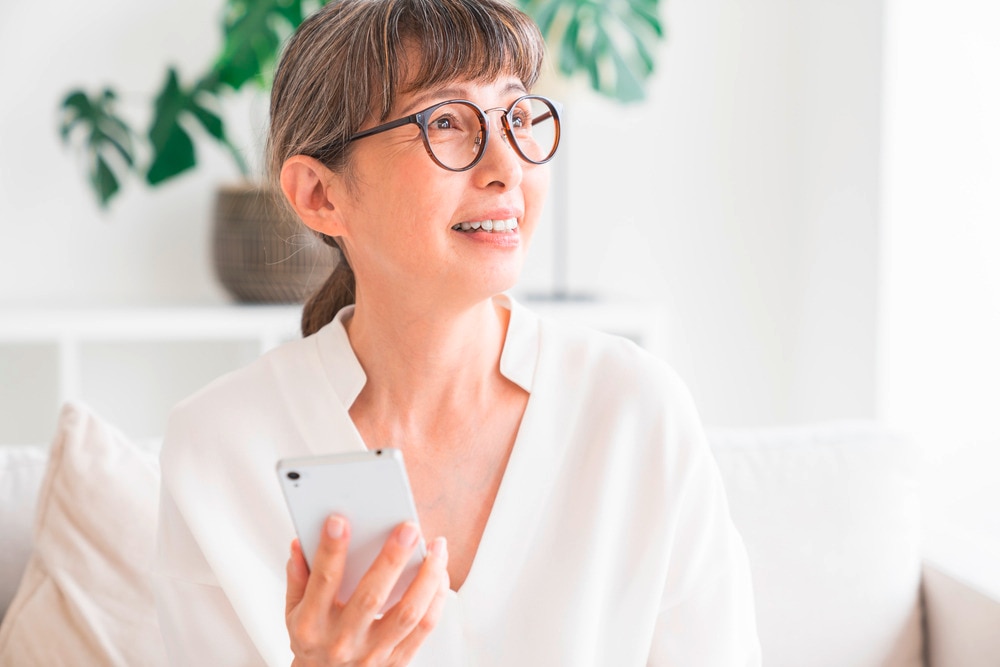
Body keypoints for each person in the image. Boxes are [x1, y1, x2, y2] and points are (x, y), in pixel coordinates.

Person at [154, 0, 761, 664]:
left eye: (517, 116)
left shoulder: (634, 411)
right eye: (445, 121)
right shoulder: (220, 448)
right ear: (320, 195)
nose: (508, 167)